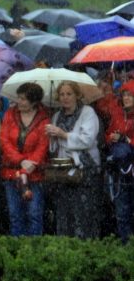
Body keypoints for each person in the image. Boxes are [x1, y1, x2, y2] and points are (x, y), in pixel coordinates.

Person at [46, 81, 101, 239]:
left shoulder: (88, 112)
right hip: (64, 169)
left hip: (85, 168)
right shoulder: (56, 116)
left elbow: (87, 140)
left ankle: (86, 245)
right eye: (62, 94)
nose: (65, 97)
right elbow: (54, 147)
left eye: (69, 94)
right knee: (64, 211)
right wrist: (52, 137)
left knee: (84, 212)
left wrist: (64, 135)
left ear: (77, 95)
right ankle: (66, 245)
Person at [0, 83, 50, 236]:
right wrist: (20, 160)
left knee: (34, 214)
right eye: (18, 98)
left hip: (34, 174)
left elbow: (43, 145)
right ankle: (17, 246)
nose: (19, 102)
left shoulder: (44, 118)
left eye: (23, 99)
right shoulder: (10, 114)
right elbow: (4, 140)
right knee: (15, 214)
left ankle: (34, 246)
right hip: (11, 171)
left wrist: (32, 163)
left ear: (33, 102)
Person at [108, 81, 134, 242]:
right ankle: (126, 246)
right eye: (124, 95)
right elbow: (108, 135)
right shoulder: (117, 115)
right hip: (120, 172)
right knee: (122, 212)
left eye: (130, 95)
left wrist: (127, 140)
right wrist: (112, 138)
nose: (126, 98)